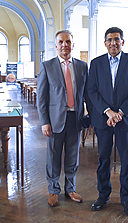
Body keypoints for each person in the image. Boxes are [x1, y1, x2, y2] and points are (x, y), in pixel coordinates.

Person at [87, 27, 128, 216]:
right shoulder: (95, 64)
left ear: (122, 42)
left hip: (125, 119)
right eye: (109, 39)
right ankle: (103, 195)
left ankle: (126, 198)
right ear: (105, 43)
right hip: (103, 120)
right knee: (103, 159)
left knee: (127, 161)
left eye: (117, 39)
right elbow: (92, 91)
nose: (113, 43)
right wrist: (108, 112)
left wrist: (120, 112)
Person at [37, 30, 89, 207]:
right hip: (55, 119)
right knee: (54, 156)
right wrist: (44, 121)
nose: (65, 45)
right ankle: (53, 189)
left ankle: (71, 188)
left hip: (75, 118)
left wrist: (90, 117)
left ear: (73, 45)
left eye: (68, 42)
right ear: (56, 45)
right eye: (61, 42)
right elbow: (42, 98)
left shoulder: (82, 66)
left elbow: (87, 94)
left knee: (73, 156)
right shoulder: (47, 66)